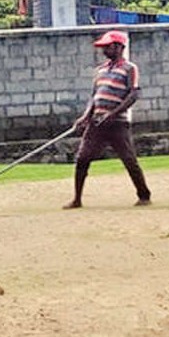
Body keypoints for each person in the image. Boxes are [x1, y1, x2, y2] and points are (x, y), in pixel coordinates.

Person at [64, 30, 151, 209]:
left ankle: (144, 195)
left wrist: (113, 114)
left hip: (117, 124)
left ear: (119, 47)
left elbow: (133, 94)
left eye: (108, 46)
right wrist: (85, 116)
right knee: (82, 158)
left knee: (129, 159)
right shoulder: (100, 70)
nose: (104, 50)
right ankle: (77, 199)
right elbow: (94, 97)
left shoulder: (129, 68)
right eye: (103, 47)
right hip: (97, 123)